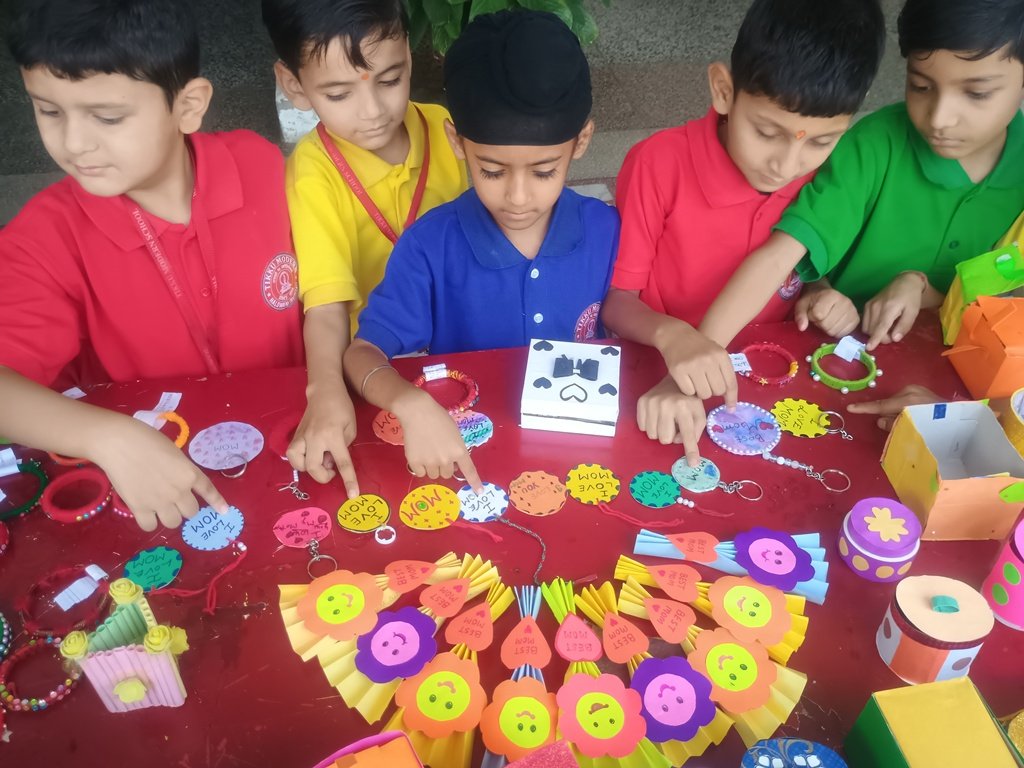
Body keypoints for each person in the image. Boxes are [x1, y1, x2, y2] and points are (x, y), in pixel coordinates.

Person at [0, 0, 306, 531]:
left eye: (107, 117)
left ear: (188, 106)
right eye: (49, 111)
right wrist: (105, 436)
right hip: (155, 483)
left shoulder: (259, 166)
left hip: (295, 444)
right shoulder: (45, 238)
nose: (73, 143)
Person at [601, 0, 885, 460]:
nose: (786, 166)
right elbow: (617, 304)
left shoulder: (827, 176)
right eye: (767, 133)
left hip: (767, 372)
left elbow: (798, 267)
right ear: (723, 91)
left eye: (821, 141)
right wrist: (675, 337)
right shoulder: (658, 164)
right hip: (659, 372)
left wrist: (820, 292)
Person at [343, 10, 617, 488]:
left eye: (543, 171)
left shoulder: (606, 230)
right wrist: (408, 401)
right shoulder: (430, 246)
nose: (517, 197)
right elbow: (362, 353)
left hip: (586, 462)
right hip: (469, 461)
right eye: (491, 171)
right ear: (457, 142)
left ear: (581, 142)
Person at [699, 0, 1024, 368]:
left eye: (977, 94)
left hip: (955, 366)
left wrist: (917, 285)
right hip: (835, 353)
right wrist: (701, 355)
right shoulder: (872, 146)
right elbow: (780, 257)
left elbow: (998, 292)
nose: (940, 118)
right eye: (920, 86)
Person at [262, 0, 468, 498]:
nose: (373, 111)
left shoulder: (446, 128)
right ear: (294, 85)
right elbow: (326, 306)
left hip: (461, 353)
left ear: (410, 57)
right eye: (339, 94)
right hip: (372, 366)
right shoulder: (313, 171)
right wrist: (325, 390)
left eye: (390, 79)